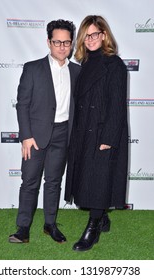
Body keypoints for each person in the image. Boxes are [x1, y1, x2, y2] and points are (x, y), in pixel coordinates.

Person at [9, 19, 80, 244]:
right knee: (29, 182)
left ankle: (50, 225)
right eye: (57, 42)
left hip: (62, 134)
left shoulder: (78, 71)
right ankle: (23, 228)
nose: (61, 47)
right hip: (35, 136)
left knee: (53, 182)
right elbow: (22, 105)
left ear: (72, 44)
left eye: (66, 42)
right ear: (48, 42)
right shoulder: (32, 68)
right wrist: (26, 136)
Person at [65, 15, 128, 251]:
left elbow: (116, 105)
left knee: (99, 181)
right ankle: (102, 217)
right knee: (87, 179)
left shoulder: (115, 64)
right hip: (84, 132)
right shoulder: (84, 65)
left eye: (95, 34)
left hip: (103, 132)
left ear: (104, 35)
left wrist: (108, 139)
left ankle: (93, 227)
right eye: (86, 35)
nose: (90, 39)